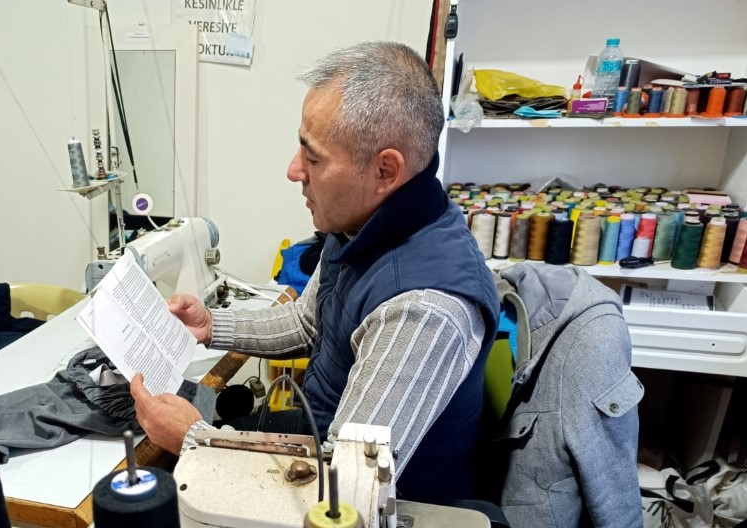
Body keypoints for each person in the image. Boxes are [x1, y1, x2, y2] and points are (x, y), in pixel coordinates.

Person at [131, 41, 500, 503]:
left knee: (155, 495)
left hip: (385, 513)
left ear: (385, 170)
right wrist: (211, 325)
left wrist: (194, 440)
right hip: (319, 435)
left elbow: (346, 494)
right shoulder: (363, 225)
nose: (293, 170)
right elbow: (309, 322)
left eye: (314, 157)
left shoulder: (422, 308)